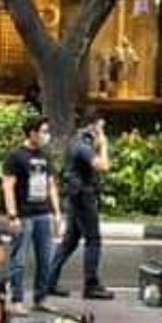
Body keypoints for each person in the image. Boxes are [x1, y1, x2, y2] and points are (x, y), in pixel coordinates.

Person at [48, 109, 114, 300]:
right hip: (83, 197)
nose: (102, 131)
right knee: (93, 240)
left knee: (69, 242)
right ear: (93, 125)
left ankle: (49, 281)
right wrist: (104, 145)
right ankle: (91, 285)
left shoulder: (77, 141)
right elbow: (103, 166)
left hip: (76, 196)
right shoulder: (83, 144)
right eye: (101, 127)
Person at [2, 116, 64, 315]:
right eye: (43, 131)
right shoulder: (16, 156)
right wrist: (13, 215)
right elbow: (8, 186)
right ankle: (16, 299)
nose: (46, 135)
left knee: (46, 258)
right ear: (32, 133)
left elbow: (51, 184)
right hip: (24, 214)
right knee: (19, 259)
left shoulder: (45, 155)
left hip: (43, 213)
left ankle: (41, 297)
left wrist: (57, 213)